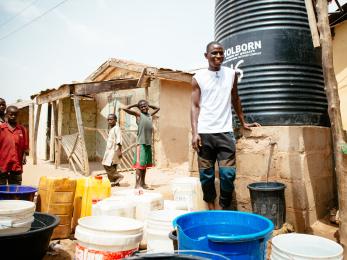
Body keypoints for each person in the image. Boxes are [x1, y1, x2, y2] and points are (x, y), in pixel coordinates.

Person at [191, 41, 260, 210]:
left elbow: (235, 98)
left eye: (221, 53)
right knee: (206, 176)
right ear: (206, 56)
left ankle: (223, 207)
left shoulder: (231, 74)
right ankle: (211, 207)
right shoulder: (198, 77)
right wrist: (195, 132)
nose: (218, 56)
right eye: (214, 53)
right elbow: (195, 106)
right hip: (205, 134)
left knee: (228, 174)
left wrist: (243, 122)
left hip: (225, 133)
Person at [123, 100, 160, 189]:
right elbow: (125, 109)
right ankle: (137, 184)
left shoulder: (150, 115)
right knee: (139, 166)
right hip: (141, 143)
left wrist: (147, 104)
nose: (143, 108)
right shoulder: (139, 115)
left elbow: (158, 108)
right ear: (139, 108)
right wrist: (136, 104)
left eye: (145, 106)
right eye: (141, 107)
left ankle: (143, 184)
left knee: (144, 165)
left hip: (148, 144)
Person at [0, 106, 29, 185]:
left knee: (16, 188)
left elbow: (25, 146)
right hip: (3, 163)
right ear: (6, 115)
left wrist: (24, 155)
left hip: (16, 163)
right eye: (11, 114)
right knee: (2, 188)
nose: (13, 116)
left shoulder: (22, 129)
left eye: (15, 115)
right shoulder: (1, 128)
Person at [102, 114, 123, 187]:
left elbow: (119, 140)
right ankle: (114, 182)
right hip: (110, 150)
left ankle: (118, 176)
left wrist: (119, 151)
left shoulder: (116, 128)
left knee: (106, 164)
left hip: (114, 150)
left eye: (111, 119)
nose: (109, 121)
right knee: (113, 166)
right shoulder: (112, 129)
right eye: (108, 120)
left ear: (116, 120)